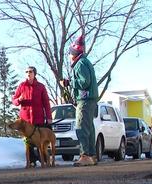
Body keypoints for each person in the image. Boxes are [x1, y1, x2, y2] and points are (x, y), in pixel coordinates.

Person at [62, 35, 99, 167]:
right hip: (91, 98)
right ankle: (92, 155)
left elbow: (84, 82)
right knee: (89, 127)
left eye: (70, 53)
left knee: (81, 127)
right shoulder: (85, 61)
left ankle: (85, 155)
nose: (69, 55)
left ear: (74, 53)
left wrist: (69, 82)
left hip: (85, 99)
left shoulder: (80, 64)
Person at [12, 66, 53, 167]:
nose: (28, 73)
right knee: (28, 142)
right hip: (25, 120)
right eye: (26, 72)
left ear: (35, 73)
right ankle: (31, 161)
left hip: (38, 118)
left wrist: (49, 117)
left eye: (30, 72)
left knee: (40, 141)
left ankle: (44, 160)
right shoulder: (22, 86)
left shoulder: (41, 86)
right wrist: (19, 100)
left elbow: (46, 103)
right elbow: (14, 100)